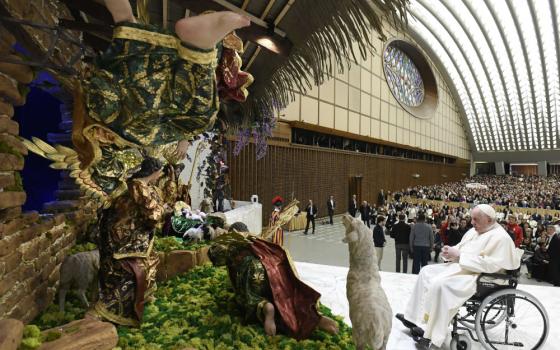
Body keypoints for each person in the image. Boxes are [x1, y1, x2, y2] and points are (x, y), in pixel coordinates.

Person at [396, 204, 523, 348]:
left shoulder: (501, 238)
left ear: (489, 219)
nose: (472, 222)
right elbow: (461, 247)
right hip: (462, 266)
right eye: (472, 219)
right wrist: (449, 251)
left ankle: (432, 336)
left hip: (478, 275)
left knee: (440, 285)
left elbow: (491, 265)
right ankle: (412, 317)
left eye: (476, 219)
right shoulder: (475, 231)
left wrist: (460, 256)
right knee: (426, 271)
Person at [208, 224, 339, 339]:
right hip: (271, 267)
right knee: (285, 298)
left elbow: (226, 271)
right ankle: (314, 318)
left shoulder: (233, 248)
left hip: (250, 269)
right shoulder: (256, 242)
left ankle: (265, 307)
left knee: (248, 297)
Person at [92, 157, 164, 326]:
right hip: (125, 236)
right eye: (159, 172)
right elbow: (152, 213)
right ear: (153, 172)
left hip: (137, 232)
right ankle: (111, 307)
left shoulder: (143, 185)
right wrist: (162, 210)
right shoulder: (138, 186)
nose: (160, 176)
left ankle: (144, 295)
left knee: (151, 260)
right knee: (136, 269)